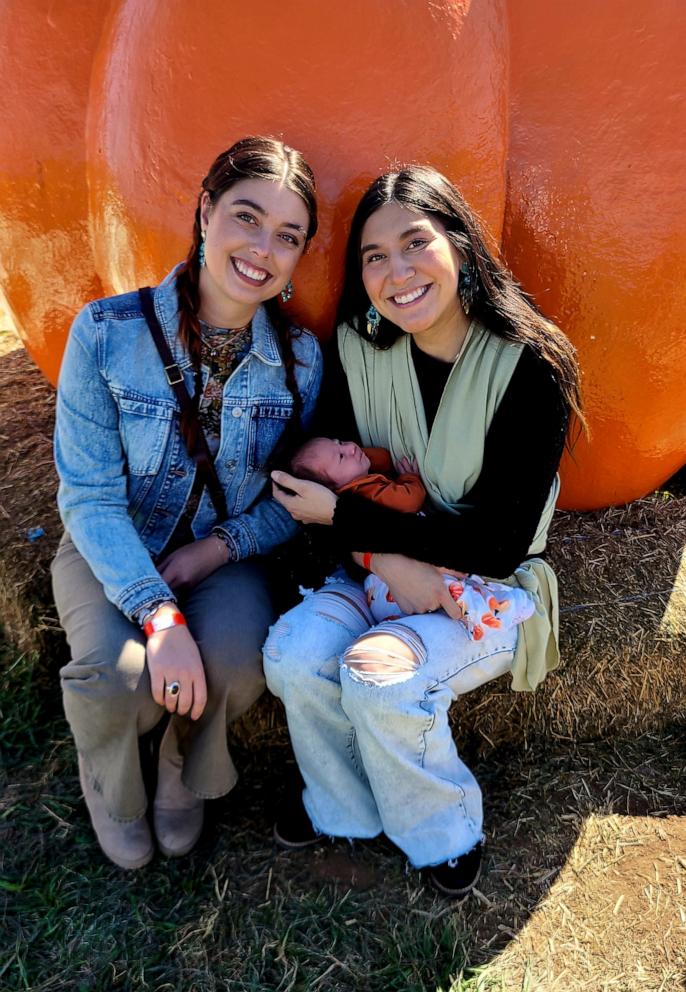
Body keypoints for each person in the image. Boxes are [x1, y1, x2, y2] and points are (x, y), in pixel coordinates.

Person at [263, 165, 584, 898]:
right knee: (291, 653)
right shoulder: (358, 348)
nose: (395, 272)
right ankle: (342, 809)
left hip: (489, 588)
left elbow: (500, 543)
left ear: (462, 249)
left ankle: (442, 833)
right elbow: (325, 480)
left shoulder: (531, 370)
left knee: (380, 681)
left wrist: (357, 527)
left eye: (416, 243)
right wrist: (382, 552)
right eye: (374, 256)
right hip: (375, 571)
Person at [52, 136, 322, 869]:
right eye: (245, 216)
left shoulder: (301, 362)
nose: (262, 248)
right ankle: (111, 781)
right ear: (205, 210)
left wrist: (216, 549)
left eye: (287, 236)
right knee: (119, 680)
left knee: (238, 663)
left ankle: (180, 766)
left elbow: (287, 499)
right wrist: (158, 610)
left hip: (220, 553)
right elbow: (88, 497)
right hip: (110, 543)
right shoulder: (106, 335)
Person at [289, 436, 535, 637]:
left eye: (340, 441)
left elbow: (382, 457)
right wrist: (411, 479)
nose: (350, 447)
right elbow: (409, 499)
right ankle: (490, 615)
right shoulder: (366, 493)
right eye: (342, 456)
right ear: (334, 489)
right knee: (451, 588)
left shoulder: (354, 485)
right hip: (398, 567)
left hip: (378, 583)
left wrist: (357, 456)